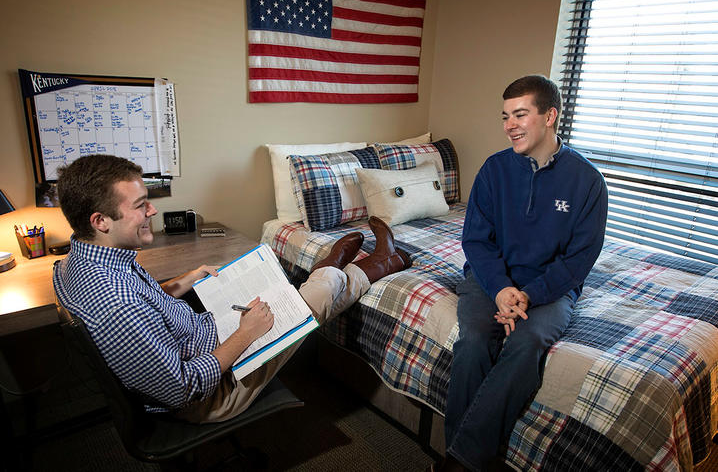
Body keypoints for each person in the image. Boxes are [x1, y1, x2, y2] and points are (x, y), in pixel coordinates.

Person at [53, 154, 411, 423]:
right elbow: (182, 388)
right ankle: (367, 265)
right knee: (315, 297)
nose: (151, 211)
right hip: (211, 394)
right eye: (139, 205)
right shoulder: (118, 304)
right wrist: (245, 334)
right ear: (100, 221)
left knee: (274, 288)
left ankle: (346, 266)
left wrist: (184, 281)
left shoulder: (75, 263)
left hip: (200, 337)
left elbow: (144, 304)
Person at [441, 75, 608, 471]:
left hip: (550, 290)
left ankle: (459, 462)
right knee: (476, 339)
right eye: (505, 116)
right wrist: (500, 289)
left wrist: (529, 295)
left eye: (520, 114)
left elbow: (579, 259)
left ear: (550, 116)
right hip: (491, 281)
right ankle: (467, 459)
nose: (509, 125)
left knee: (527, 342)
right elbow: (477, 241)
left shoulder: (587, 181)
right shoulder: (494, 171)